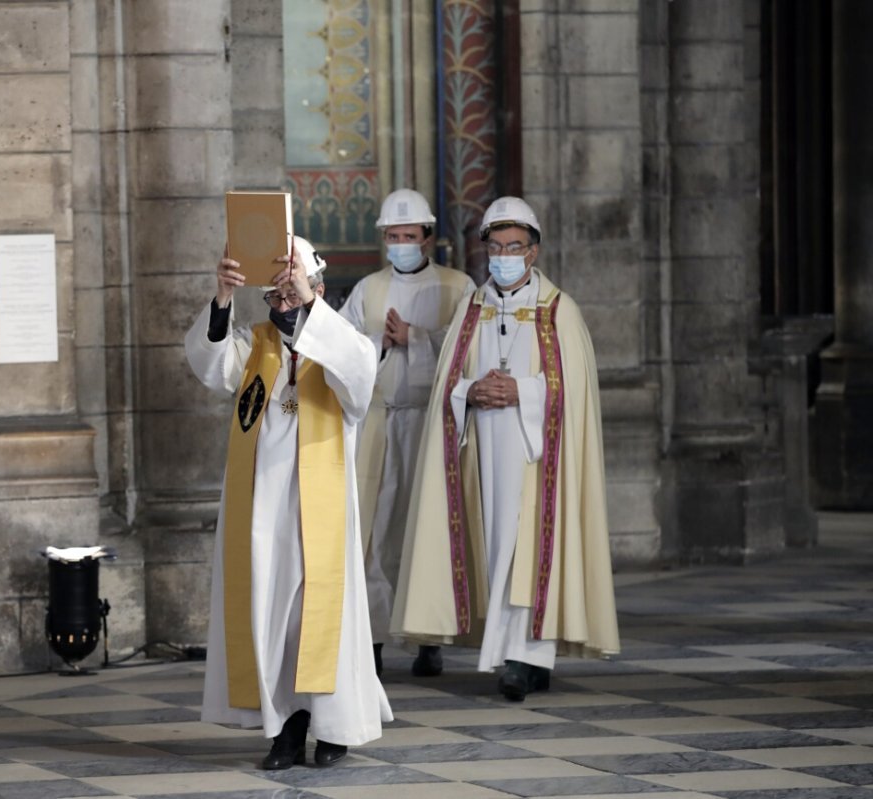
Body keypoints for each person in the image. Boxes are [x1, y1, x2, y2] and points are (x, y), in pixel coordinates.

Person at [391, 196, 620, 701]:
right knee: (496, 550)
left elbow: (575, 391)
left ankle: (524, 658)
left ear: (533, 253)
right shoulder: (471, 309)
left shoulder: (560, 310)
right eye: (495, 247)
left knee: (529, 547)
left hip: (536, 456)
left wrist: (524, 391)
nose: (503, 256)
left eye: (514, 247)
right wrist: (470, 391)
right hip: (480, 455)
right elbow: (449, 380)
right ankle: (518, 656)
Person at [186, 235, 392, 769]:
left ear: (316, 290)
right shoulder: (256, 347)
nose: (282, 307)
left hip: (318, 516)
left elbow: (361, 373)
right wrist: (224, 298)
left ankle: (333, 729)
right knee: (275, 617)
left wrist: (310, 306)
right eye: (275, 298)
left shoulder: (341, 345)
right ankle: (285, 729)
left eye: (291, 295)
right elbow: (210, 366)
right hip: (264, 516)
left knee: (317, 619)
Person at [338, 188, 473, 678]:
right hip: (378, 419)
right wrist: (383, 341)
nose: (399, 244)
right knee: (374, 532)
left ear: (428, 238)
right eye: (392, 237)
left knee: (426, 528)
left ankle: (428, 638)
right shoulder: (368, 289)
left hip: (431, 420)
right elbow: (345, 347)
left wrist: (414, 338)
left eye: (408, 236)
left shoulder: (459, 287)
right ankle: (371, 639)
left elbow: (467, 352)